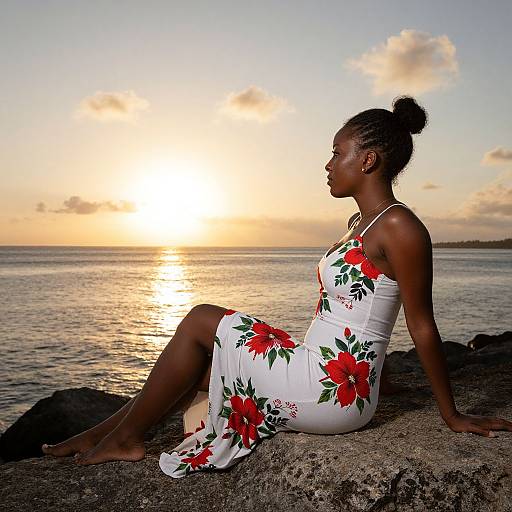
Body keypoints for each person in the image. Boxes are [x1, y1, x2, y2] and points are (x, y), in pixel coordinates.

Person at [42, 95, 512, 477]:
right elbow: (364, 309)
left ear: (367, 159)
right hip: (320, 366)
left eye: (336, 152)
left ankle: (124, 439)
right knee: (198, 367)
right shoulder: (360, 223)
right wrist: (383, 379)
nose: (328, 163)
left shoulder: (402, 228)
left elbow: (421, 325)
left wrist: (451, 415)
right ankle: (101, 434)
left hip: (334, 392)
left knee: (203, 318)